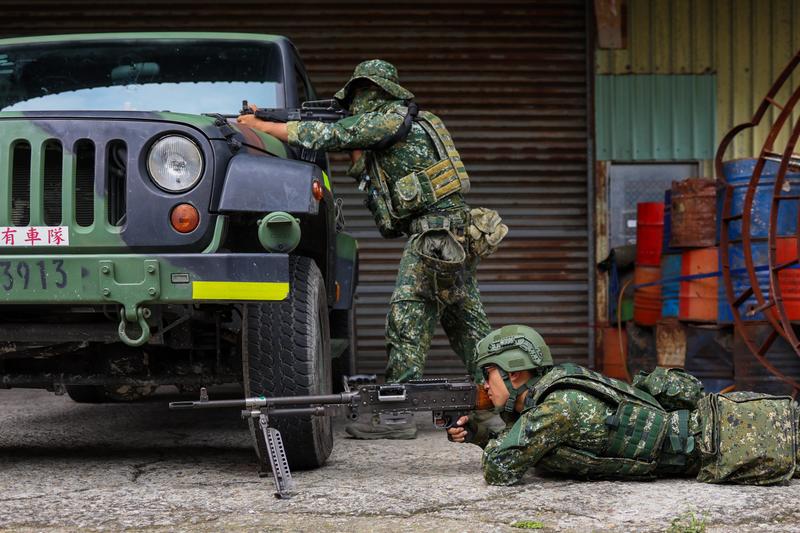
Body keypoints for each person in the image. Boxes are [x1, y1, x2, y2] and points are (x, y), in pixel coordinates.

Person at [237, 60, 507, 439]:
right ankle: (497, 409)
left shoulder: (390, 119)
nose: (359, 104)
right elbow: (377, 178)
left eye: (362, 96)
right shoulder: (414, 123)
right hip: (451, 236)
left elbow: (332, 136)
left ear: (376, 94)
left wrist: (263, 127)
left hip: (434, 238)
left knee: (407, 319)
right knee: (466, 324)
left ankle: (395, 415)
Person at [448, 324, 800, 486]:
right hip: (719, 431)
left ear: (517, 371)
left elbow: (500, 468)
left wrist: (486, 436)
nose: (483, 384)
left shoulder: (557, 407)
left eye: (488, 373)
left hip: (727, 441)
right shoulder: (555, 388)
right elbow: (528, 446)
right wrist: (481, 431)